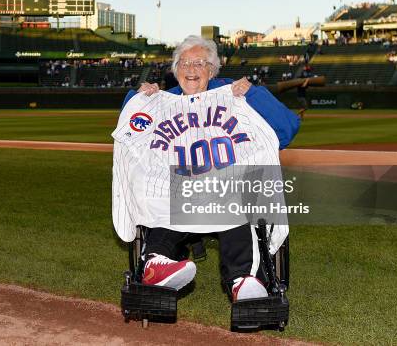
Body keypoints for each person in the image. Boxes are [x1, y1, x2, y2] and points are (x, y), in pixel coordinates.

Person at [120, 35, 299, 301]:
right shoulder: (163, 100)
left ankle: (242, 280)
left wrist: (254, 95)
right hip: (178, 188)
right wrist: (138, 100)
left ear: (212, 70)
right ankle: (156, 263)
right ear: (175, 70)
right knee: (165, 194)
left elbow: (285, 130)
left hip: (226, 188)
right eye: (184, 63)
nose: (191, 70)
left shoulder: (234, 92)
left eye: (200, 63)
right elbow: (129, 137)